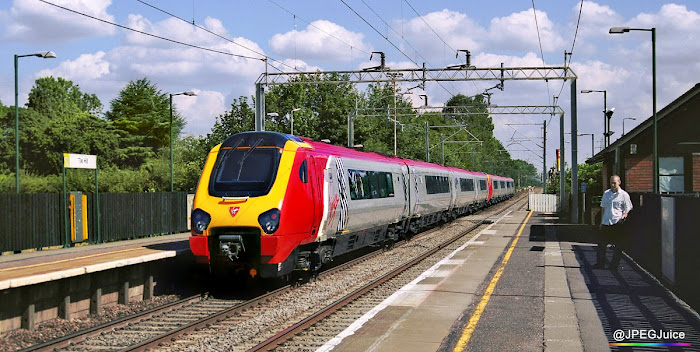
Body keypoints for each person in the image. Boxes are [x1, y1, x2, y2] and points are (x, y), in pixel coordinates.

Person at [595, 174, 633, 270]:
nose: (612, 185)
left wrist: (624, 215)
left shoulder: (624, 195)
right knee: (601, 245)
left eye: (614, 183)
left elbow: (627, 208)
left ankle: (614, 265)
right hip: (606, 222)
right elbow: (603, 208)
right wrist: (601, 222)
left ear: (619, 182)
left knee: (618, 246)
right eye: (611, 182)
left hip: (617, 223)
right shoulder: (606, 193)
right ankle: (600, 264)